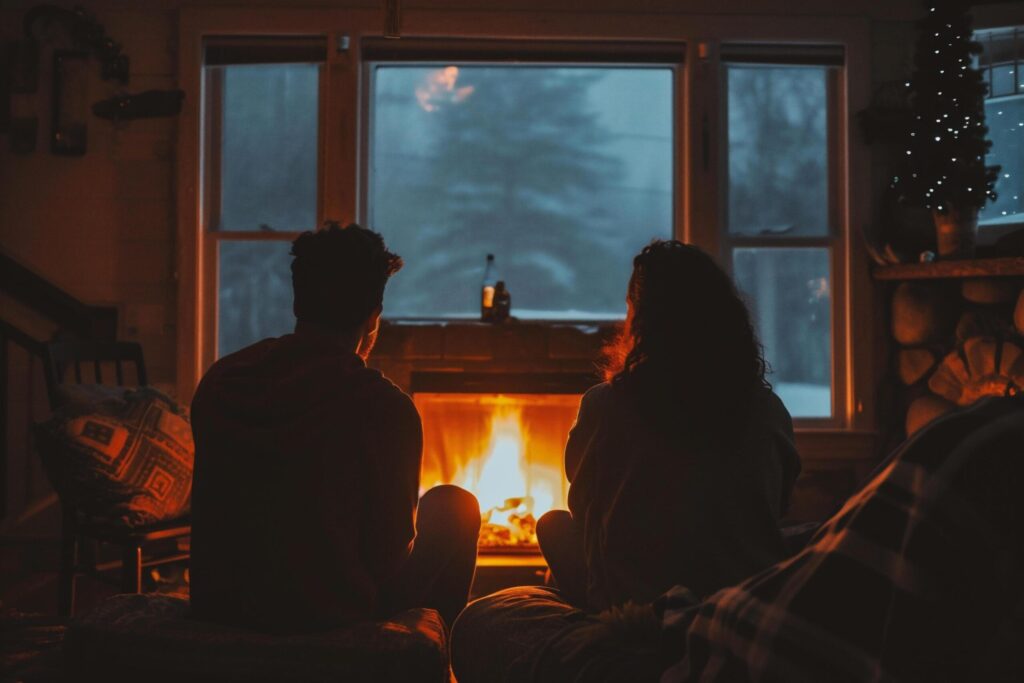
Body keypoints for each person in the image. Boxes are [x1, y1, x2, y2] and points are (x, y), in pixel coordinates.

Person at [452, 394, 1024, 683]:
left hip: (681, 647)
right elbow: (781, 514)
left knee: (489, 616)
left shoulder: (980, 450)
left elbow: (583, 504)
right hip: (723, 596)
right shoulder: (766, 407)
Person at [189, 222, 480, 633]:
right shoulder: (383, 406)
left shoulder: (223, 379)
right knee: (455, 505)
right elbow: (387, 558)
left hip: (220, 605)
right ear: (373, 316)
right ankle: (431, 655)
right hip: (330, 614)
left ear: (297, 302)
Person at [537, 240, 801, 611]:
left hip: (636, 608)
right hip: (742, 601)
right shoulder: (768, 409)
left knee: (553, 525)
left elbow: (581, 506)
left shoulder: (605, 405)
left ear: (641, 321)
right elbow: (778, 505)